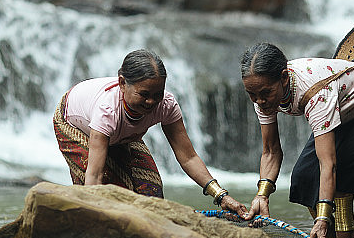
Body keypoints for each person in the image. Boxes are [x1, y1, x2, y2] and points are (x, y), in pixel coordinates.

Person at [240, 42, 354, 238]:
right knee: (303, 177)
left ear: (283, 77)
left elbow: (328, 164)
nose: (260, 101)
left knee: (341, 183)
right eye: (252, 95)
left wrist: (323, 216)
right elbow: (271, 151)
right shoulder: (262, 96)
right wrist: (262, 195)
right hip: (343, 106)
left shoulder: (315, 93)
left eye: (265, 93)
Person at [53, 48, 247, 216]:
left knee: (152, 192)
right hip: (73, 123)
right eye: (144, 95)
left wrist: (220, 195)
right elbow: (94, 176)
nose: (151, 102)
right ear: (122, 83)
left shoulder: (166, 105)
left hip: (121, 135)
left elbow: (188, 157)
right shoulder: (107, 111)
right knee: (112, 191)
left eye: (157, 95)